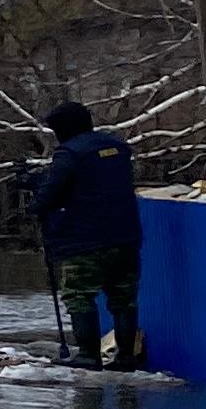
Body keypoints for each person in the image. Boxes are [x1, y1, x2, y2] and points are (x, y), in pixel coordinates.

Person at [30, 100, 145, 370]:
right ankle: (126, 356)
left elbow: (49, 197)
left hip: (83, 242)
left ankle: (88, 354)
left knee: (79, 295)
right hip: (125, 238)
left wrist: (36, 197)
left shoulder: (69, 154)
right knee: (123, 298)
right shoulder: (117, 148)